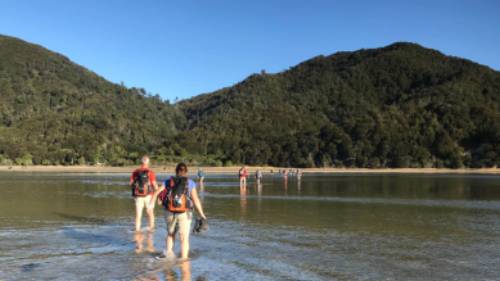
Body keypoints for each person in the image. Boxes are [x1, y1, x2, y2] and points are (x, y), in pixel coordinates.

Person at [151, 162, 207, 260]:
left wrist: (151, 203)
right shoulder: (190, 183)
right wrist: (202, 214)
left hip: (169, 212)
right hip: (185, 213)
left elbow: (157, 192)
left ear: (176, 171)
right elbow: (196, 200)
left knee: (170, 234)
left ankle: (167, 256)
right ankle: (184, 260)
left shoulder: (168, 181)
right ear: (186, 172)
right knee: (184, 238)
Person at [130, 155, 158, 232]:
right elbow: (155, 186)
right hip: (149, 196)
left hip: (138, 196)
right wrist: (157, 196)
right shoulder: (150, 172)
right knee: (150, 214)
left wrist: (134, 195)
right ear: (148, 163)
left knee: (138, 215)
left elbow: (131, 184)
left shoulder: (135, 172)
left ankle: (137, 231)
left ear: (141, 162)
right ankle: (151, 230)